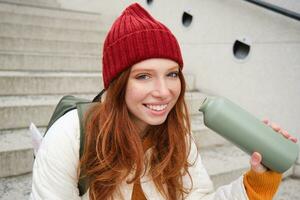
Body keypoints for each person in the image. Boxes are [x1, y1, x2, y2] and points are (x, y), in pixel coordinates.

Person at [30, 3, 298, 200]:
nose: (163, 91)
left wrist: (256, 183)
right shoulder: (71, 136)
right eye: (144, 76)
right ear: (118, 85)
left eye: (172, 74)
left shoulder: (177, 136)